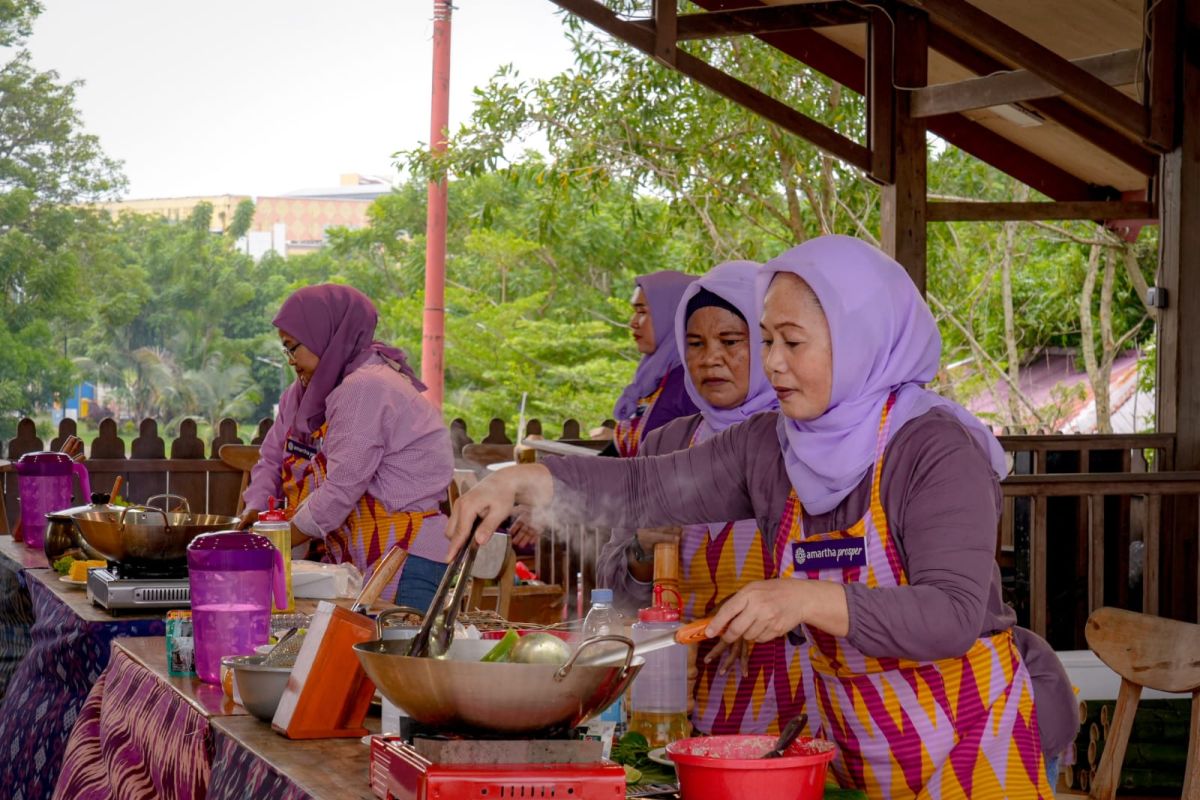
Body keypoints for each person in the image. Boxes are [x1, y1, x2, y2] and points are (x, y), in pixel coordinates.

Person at [448, 237, 1077, 797]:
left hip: (971, 748)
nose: (772, 361)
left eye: (792, 342)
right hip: (855, 751)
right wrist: (531, 479)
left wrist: (806, 599)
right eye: (768, 338)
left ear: (858, 339)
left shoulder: (932, 446)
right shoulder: (773, 442)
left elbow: (952, 615)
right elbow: (646, 486)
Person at [596, 260, 812, 736]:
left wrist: (762, 607)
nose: (710, 358)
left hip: (786, 683)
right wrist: (641, 551)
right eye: (695, 344)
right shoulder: (667, 443)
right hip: (676, 685)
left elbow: (840, 570)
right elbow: (615, 586)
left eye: (731, 342)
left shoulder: (806, 443)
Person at [240, 284, 454, 610]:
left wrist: (272, 541)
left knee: (399, 660)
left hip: (408, 557)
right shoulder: (307, 394)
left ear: (325, 335)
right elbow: (272, 457)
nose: (291, 361)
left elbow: (340, 491)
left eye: (292, 348)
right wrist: (256, 511)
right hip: (371, 557)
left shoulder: (365, 386)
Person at [611, 270, 701, 457]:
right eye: (634, 312)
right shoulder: (653, 376)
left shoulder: (693, 382)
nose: (633, 322)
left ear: (672, 314)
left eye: (642, 311)